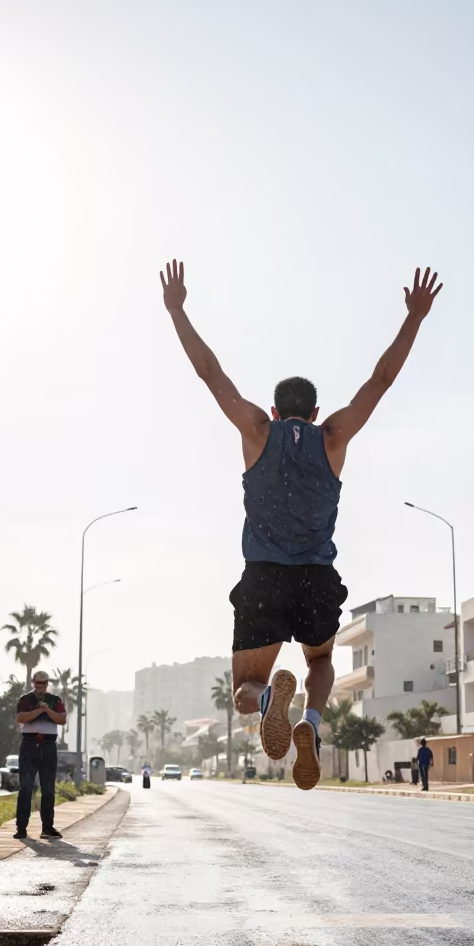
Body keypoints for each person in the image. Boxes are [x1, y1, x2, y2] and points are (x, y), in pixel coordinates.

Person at [160, 258, 443, 791]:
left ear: (274, 407)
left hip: (263, 574)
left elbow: (209, 373)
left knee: (244, 683)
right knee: (320, 662)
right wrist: (414, 318)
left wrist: (178, 310)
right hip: (315, 574)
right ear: (314, 413)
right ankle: (310, 723)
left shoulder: (256, 430)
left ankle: (267, 700)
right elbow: (380, 381)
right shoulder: (333, 436)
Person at [14, 671, 67, 840]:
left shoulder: (55, 700)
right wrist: (39, 711)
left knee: (48, 788)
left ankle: (47, 827)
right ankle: (21, 827)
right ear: (33, 682)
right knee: (26, 787)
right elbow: (21, 718)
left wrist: (47, 709)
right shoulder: (25, 699)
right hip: (29, 745)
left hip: (48, 746)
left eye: (43, 683)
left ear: (47, 684)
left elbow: (61, 719)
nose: (40, 686)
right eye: (38, 683)